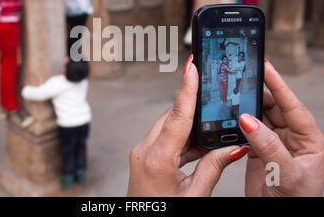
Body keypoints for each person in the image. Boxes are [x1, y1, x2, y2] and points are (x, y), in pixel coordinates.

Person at [127, 54, 324, 196]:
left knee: (233, 99)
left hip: (234, 84)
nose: (228, 57)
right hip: (226, 84)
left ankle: (232, 112)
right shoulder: (227, 65)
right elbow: (229, 71)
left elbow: (236, 70)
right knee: (227, 98)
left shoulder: (235, 64)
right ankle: (230, 112)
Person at [21, 58, 91, 190]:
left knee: (68, 151)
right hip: (84, 121)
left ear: (65, 72)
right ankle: (81, 172)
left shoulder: (58, 83)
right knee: (80, 146)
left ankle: (68, 176)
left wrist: (25, 91)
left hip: (68, 125)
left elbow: (40, 93)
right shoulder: (83, 81)